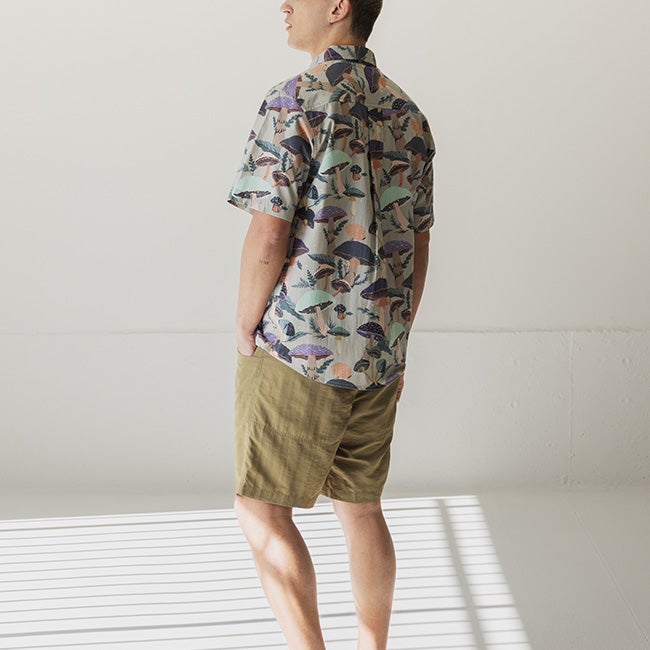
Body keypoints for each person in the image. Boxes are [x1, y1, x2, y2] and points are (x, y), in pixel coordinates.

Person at [225, 0, 435, 647]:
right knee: (362, 509)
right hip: (379, 353)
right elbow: (418, 244)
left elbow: (268, 234)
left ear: (340, 6)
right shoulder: (408, 115)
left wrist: (245, 324)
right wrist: (396, 343)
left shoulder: (296, 100)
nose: (284, 5)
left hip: (300, 347)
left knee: (261, 507)